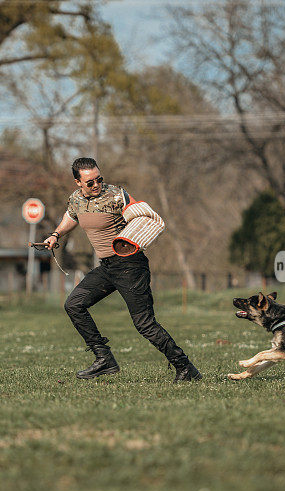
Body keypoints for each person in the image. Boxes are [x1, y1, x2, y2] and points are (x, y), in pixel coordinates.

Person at [44, 157, 202, 382]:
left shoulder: (116, 195)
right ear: (78, 182)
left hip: (131, 266)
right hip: (107, 267)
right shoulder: (76, 200)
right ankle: (104, 358)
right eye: (90, 182)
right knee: (74, 304)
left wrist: (134, 233)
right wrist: (56, 234)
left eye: (99, 179)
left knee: (145, 324)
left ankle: (185, 368)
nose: (96, 184)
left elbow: (142, 216)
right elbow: (72, 216)